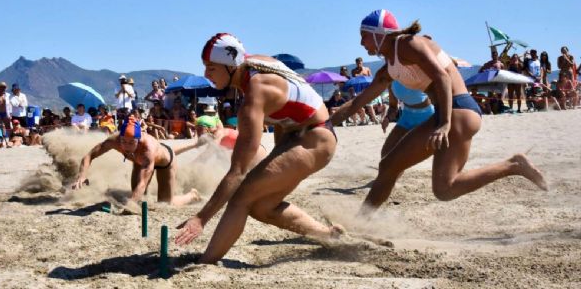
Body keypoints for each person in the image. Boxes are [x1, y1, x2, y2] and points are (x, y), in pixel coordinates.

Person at [330, 9, 547, 218]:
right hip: (457, 113)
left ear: (380, 34)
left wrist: (444, 123)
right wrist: (327, 124)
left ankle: (361, 221)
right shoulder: (389, 67)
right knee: (445, 189)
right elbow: (359, 101)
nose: (361, 43)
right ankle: (514, 165)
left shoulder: (406, 44)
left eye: (364, 36)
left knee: (388, 165)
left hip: (457, 111)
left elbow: (442, 77)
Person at [175, 33, 341, 264]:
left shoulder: (256, 93)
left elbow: (237, 172)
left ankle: (206, 263)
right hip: (302, 135)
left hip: (315, 139)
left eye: (211, 68)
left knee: (241, 196)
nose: (206, 74)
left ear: (230, 66)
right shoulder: (255, 62)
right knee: (262, 207)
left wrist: (201, 218)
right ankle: (330, 235)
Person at [72, 115, 200, 206]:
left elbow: (142, 183)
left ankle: (192, 195)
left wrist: (130, 206)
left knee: (166, 203)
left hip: (164, 162)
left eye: (131, 142)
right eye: (124, 141)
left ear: (138, 140)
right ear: (119, 138)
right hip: (139, 162)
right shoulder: (114, 141)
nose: (126, 146)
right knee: (137, 195)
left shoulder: (147, 149)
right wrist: (82, 176)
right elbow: (88, 156)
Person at [381, 81, 435, 157]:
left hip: (428, 116)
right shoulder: (391, 80)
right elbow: (393, 106)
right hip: (407, 117)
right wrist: (388, 118)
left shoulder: (421, 73)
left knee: (435, 150)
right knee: (386, 153)